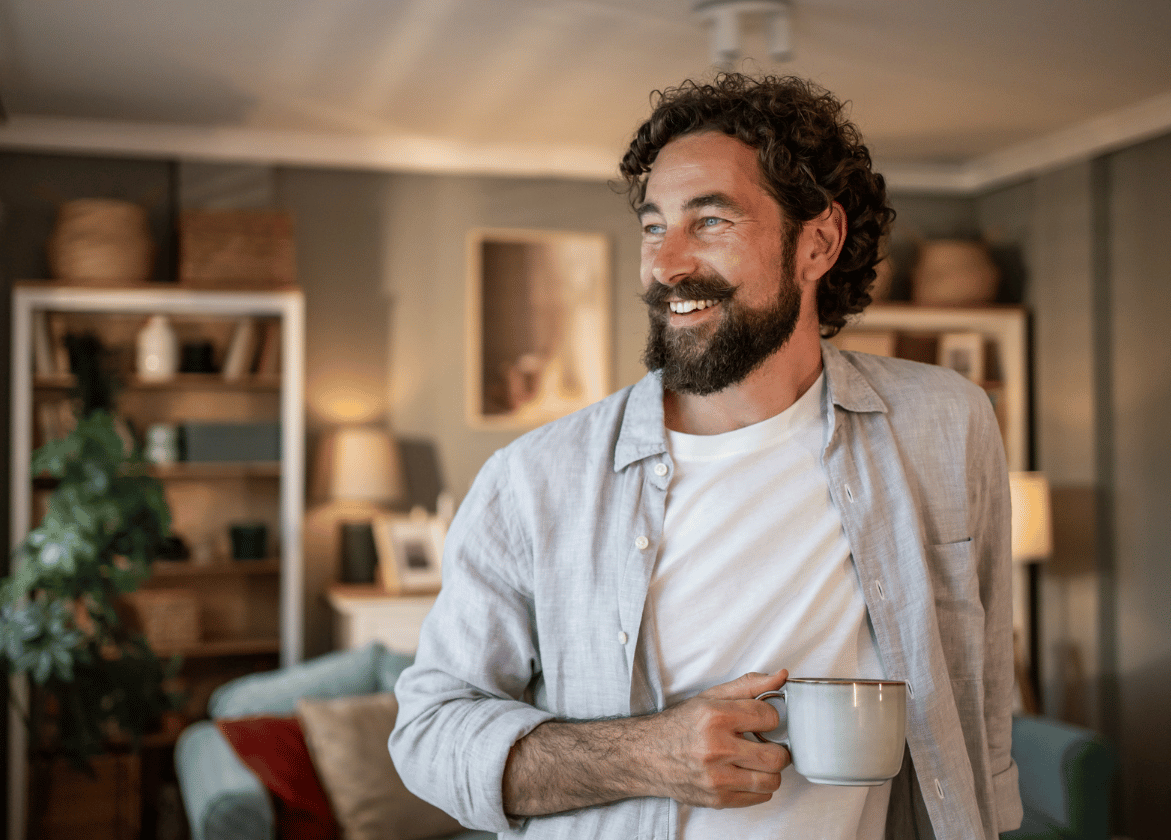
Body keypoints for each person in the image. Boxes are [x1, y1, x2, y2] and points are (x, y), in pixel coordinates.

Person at [390, 73, 1021, 840]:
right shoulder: (533, 481)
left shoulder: (943, 425)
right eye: (654, 227)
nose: (667, 264)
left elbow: (980, 691)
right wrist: (647, 754)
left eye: (710, 221)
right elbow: (428, 736)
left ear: (816, 242)